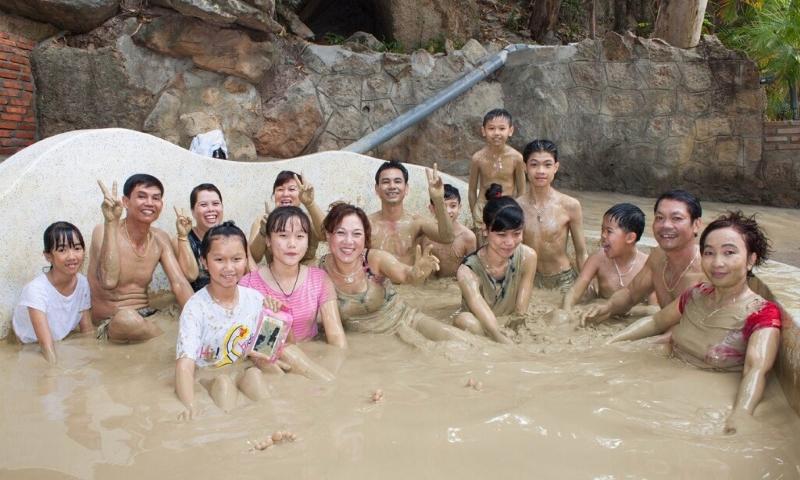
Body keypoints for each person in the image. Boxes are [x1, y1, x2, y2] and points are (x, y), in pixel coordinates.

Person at [607, 211, 781, 435]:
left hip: (702, 405)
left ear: (750, 260)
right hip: (661, 379)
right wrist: (611, 342)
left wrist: (742, 413)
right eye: (709, 253)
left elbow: (756, 369)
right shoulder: (696, 294)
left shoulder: (762, 313)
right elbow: (656, 321)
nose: (717, 262)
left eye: (729, 253)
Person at [175, 222, 332, 418]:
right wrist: (190, 405)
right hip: (211, 374)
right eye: (219, 259)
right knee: (224, 384)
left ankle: (329, 391)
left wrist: (279, 316)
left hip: (247, 366)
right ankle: (231, 425)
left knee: (256, 375)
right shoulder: (195, 308)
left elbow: (284, 344)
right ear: (204, 262)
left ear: (246, 259)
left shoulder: (255, 299)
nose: (229, 268)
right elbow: (184, 365)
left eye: (236, 259)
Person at [320, 202, 477, 346]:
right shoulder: (319, 273)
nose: (349, 241)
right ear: (328, 235)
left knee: (468, 345)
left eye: (356, 234)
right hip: (370, 342)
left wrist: (416, 273)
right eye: (341, 233)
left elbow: (405, 274)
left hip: (407, 321)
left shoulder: (374, 260)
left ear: (365, 238)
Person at [89, 175, 193, 343]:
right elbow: (108, 281)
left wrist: (201, 319)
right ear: (125, 202)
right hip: (114, 323)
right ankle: (166, 344)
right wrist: (111, 222)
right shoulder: (104, 230)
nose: (150, 203)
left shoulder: (160, 238)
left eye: (156, 198)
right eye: (142, 196)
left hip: (149, 316)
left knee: (189, 310)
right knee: (127, 319)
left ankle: (172, 343)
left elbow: (179, 283)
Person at [582, 190, 707, 325]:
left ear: (696, 225)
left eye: (676, 218)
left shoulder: (707, 268)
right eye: (660, 218)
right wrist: (608, 307)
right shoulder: (658, 257)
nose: (666, 225)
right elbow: (630, 294)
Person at [239, 206, 347, 348]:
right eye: (283, 236)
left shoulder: (319, 279)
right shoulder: (248, 284)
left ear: (308, 241)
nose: (292, 244)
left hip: (310, 357)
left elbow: (336, 338)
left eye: (300, 236)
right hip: (268, 360)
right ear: (268, 241)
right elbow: (242, 343)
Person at [454, 185, 537, 344]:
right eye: (501, 235)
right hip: (481, 324)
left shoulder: (528, 257)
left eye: (517, 233)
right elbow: (482, 312)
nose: (510, 242)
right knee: (464, 320)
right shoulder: (467, 271)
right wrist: (507, 345)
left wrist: (518, 332)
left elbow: (520, 312)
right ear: (485, 230)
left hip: (507, 322)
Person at [12, 222, 93, 364]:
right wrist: (54, 373)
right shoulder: (36, 290)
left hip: (59, 341)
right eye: (62, 250)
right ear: (48, 256)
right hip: (30, 347)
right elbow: (46, 347)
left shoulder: (82, 283)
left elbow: (87, 332)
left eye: (77, 248)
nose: (72, 256)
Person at [516, 139, 587, 293]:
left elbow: (581, 253)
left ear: (556, 167)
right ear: (524, 167)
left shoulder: (570, 206)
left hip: (563, 279)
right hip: (529, 278)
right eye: (534, 164)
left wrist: (587, 285)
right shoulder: (516, 207)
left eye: (547, 165)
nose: (541, 171)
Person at [563, 203, 656, 313]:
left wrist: (612, 308)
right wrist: (566, 311)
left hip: (628, 318)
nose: (603, 235)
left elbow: (654, 309)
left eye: (609, 231)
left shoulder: (647, 265)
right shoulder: (598, 258)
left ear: (630, 238)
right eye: (602, 230)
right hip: (599, 315)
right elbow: (574, 291)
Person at [369, 160, 455, 265]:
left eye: (397, 181)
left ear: (406, 188)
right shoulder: (367, 224)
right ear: (377, 189)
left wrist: (438, 200)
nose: (392, 186)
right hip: (377, 281)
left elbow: (448, 238)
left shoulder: (417, 223)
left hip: (410, 280)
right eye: (386, 182)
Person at [467, 109, 526, 234]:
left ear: (510, 131)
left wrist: (517, 211)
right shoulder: (478, 158)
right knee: (483, 244)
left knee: (505, 245)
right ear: (483, 131)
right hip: (483, 207)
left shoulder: (516, 158)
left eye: (502, 128)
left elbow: (522, 191)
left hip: (507, 208)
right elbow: (472, 190)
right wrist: (475, 212)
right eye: (491, 128)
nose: (496, 133)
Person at [249, 171, 325, 265]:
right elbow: (253, 258)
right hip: (276, 276)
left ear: (301, 192)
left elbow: (325, 235)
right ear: (274, 195)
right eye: (280, 189)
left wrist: (310, 203)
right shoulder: (263, 220)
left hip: (310, 275)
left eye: (292, 189)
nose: (285, 194)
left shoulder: (309, 219)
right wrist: (262, 233)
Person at [172, 183, 223, 292]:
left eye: (215, 204)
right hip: (198, 300)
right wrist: (183, 237)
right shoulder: (181, 239)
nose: (211, 209)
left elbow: (249, 270)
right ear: (193, 211)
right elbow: (190, 275)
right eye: (203, 205)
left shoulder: (232, 236)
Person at [419, 184, 477, 278]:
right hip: (429, 286)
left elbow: (472, 270)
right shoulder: (424, 234)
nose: (448, 211)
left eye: (453, 206)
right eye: (442, 206)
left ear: (460, 207)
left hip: (453, 286)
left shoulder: (468, 237)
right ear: (432, 208)